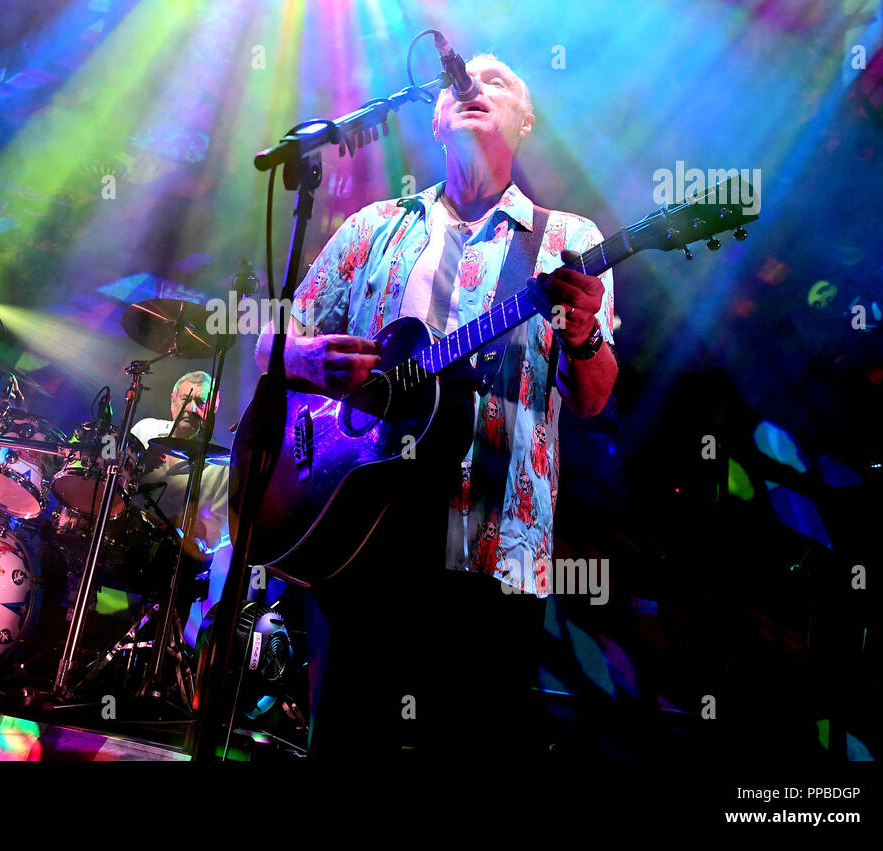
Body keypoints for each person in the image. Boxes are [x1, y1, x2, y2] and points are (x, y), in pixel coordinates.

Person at [254, 53, 618, 757]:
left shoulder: (568, 241)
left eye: (499, 81)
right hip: (359, 536)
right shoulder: (373, 227)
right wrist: (298, 357)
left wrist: (581, 332)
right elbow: (274, 334)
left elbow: (597, 396)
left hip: (492, 552)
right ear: (437, 114)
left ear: (526, 121)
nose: (475, 87)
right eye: (464, 82)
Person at [129, 370, 233, 647]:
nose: (191, 408)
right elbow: (114, 480)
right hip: (124, 546)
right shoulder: (145, 430)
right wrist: (137, 459)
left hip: (172, 568)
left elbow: (214, 538)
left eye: (200, 401)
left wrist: (185, 524)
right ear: (173, 398)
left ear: (212, 409)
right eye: (186, 397)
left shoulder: (222, 467)